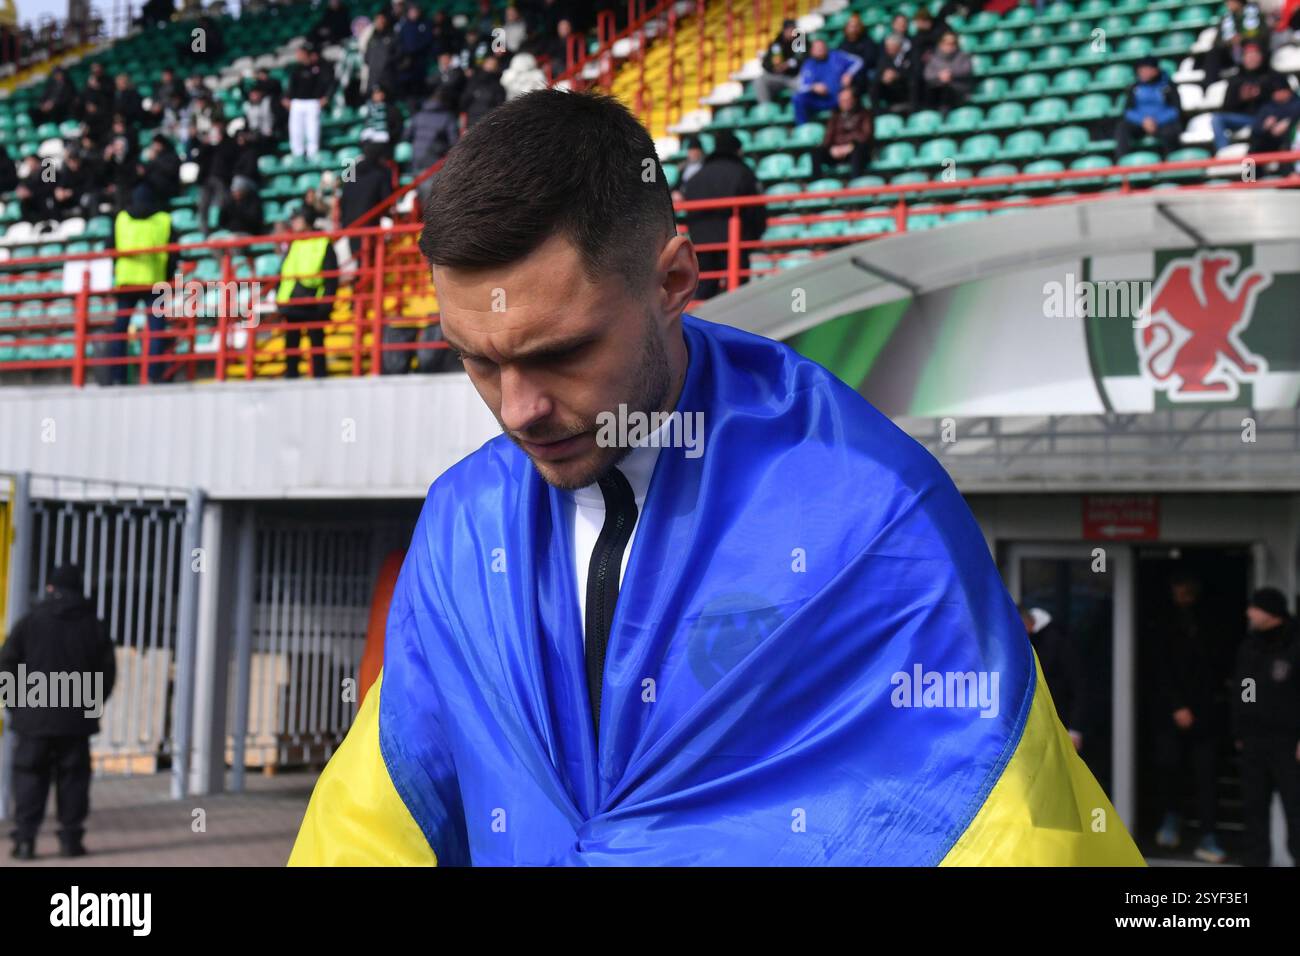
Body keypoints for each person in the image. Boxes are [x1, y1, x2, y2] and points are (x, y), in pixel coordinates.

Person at [289, 91, 1144, 866]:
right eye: (476, 361)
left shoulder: (873, 511)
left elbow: (1004, 830)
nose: (518, 411)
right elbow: (382, 807)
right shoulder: (462, 520)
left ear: (674, 281)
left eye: (560, 354)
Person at [1, 565, 116, 860]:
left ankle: (25, 842)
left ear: (50, 588)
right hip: (75, 720)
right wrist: (90, 705)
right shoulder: (94, 625)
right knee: (73, 778)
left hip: (33, 718)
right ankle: (70, 841)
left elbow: (7, 665)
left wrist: (16, 705)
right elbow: (106, 673)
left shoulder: (30, 622)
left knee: (29, 776)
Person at [1150, 574, 1227, 863]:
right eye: (1180, 586)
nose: (1185, 592)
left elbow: (1216, 667)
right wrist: (1176, 705)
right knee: (1169, 767)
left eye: (1190, 587)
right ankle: (1171, 817)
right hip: (1170, 714)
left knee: (1206, 775)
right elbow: (1159, 669)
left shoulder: (1211, 622)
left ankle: (1208, 835)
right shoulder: (1162, 623)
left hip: (1206, 713)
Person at [1231, 587, 1300, 866]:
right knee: (1253, 808)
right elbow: (1242, 690)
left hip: (1289, 743)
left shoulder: (1295, 644)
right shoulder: (1250, 644)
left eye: (1254, 608)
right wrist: (1240, 730)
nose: (1249, 613)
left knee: (1295, 809)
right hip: (1254, 741)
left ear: (1271, 612)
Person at [682, 130, 766, 299]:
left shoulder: (696, 178)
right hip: (735, 242)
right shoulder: (743, 172)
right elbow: (756, 210)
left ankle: (701, 322)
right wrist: (754, 237)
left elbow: (688, 210)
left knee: (705, 291)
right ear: (737, 150)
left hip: (703, 243)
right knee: (737, 293)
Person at [108, 185, 176, 385]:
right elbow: (173, 253)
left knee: (120, 330)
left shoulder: (121, 218)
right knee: (155, 329)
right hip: (154, 280)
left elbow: (109, 247)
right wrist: (169, 277)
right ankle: (154, 375)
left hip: (126, 281)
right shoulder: (164, 220)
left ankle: (117, 377)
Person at [276, 208, 338, 379]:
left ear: (308, 220)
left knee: (316, 343)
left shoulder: (323, 242)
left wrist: (326, 304)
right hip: (291, 303)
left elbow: (331, 277)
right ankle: (291, 376)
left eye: (298, 218)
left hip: (313, 303)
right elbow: (284, 273)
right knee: (291, 344)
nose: (294, 222)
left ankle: (320, 378)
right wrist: (280, 300)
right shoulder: (294, 243)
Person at [1020, 606, 1086, 752]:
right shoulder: (1029, 642)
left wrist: (1074, 728)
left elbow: (1077, 686)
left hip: (1061, 722)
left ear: (1027, 623)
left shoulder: (1058, 641)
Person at [1209, 42, 1279, 150]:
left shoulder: (1272, 76)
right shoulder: (1236, 79)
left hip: (1265, 117)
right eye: (1248, 55)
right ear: (1243, 58)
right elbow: (1227, 107)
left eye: (1255, 55)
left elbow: (1282, 100)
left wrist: (1260, 95)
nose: (1252, 58)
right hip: (1245, 118)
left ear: (1261, 57)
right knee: (1217, 118)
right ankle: (1224, 153)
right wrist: (1241, 98)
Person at [1115, 56, 1183, 158]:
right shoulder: (1134, 87)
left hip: (1163, 122)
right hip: (1141, 123)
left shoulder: (1168, 86)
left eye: (1146, 69)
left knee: (1170, 132)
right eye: (1141, 70)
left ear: (1155, 70)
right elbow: (1128, 111)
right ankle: (1123, 163)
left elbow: (1175, 110)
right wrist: (1143, 121)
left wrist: (1156, 121)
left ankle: (1172, 162)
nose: (1143, 73)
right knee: (1122, 127)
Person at [405, 84, 460, 201]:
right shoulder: (448, 117)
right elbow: (454, 142)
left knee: (419, 187)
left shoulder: (418, 115)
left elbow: (406, 136)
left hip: (416, 159)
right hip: (434, 161)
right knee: (430, 195)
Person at [792, 37, 864, 126]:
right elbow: (801, 87)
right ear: (811, 51)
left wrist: (849, 73)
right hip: (820, 100)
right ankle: (802, 128)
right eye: (817, 48)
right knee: (798, 98)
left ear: (826, 48)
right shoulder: (808, 65)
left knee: (848, 95)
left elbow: (859, 61)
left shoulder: (837, 56)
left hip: (838, 97)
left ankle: (851, 125)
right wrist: (813, 87)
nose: (820, 50)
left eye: (822, 47)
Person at [811, 87, 874, 179]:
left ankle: (855, 181)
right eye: (842, 100)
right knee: (816, 151)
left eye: (847, 99)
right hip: (837, 151)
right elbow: (828, 137)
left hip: (855, 151)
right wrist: (832, 148)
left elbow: (866, 136)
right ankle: (817, 183)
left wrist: (850, 146)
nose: (845, 102)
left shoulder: (865, 114)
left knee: (859, 149)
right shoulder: (835, 116)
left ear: (854, 100)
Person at [286, 43, 334, 159]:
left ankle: (313, 154)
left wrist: (326, 98)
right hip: (297, 103)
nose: (298, 56)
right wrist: (286, 98)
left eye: (300, 53)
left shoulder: (319, 68)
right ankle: (297, 155)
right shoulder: (296, 69)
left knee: (312, 130)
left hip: (313, 102)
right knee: (296, 131)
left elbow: (329, 84)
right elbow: (291, 87)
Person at [1204, 0, 1266, 87]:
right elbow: (1217, 42)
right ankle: (1210, 86)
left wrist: (1243, 38)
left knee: (1252, 50)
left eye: (1231, 1)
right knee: (1213, 53)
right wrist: (1229, 42)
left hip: (1249, 48)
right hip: (1230, 52)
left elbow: (1263, 35)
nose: (1228, 4)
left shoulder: (1255, 14)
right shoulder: (1226, 19)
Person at [754, 19, 803, 104]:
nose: (792, 32)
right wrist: (774, 67)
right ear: (784, 30)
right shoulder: (777, 42)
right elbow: (765, 63)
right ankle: (766, 109)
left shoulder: (800, 39)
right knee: (760, 80)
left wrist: (789, 64)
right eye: (789, 29)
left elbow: (803, 57)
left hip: (795, 76)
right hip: (779, 77)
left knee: (802, 84)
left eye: (794, 29)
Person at [921, 31, 972, 111]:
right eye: (947, 43)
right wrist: (939, 76)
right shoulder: (933, 58)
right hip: (938, 92)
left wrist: (950, 73)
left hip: (958, 91)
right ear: (941, 44)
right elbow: (927, 75)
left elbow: (967, 70)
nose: (950, 46)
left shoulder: (963, 56)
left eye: (953, 43)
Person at [1248, 81, 1300, 154]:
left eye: (1279, 91)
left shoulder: (1297, 103)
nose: (1276, 94)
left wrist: (1288, 122)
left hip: (1289, 139)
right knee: (1255, 147)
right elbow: (1255, 129)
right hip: (1269, 140)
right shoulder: (1267, 107)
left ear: (1287, 91)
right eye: (1274, 92)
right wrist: (1265, 126)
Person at [871, 33, 917, 113]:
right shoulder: (883, 59)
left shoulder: (909, 56)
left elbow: (914, 73)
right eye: (887, 46)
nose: (889, 48)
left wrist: (897, 75)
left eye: (891, 46)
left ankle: (913, 108)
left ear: (899, 46)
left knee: (913, 82)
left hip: (904, 88)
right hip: (890, 91)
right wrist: (883, 77)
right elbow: (878, 73)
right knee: (874, 84)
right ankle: (877, 111)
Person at [838, 13, 878, 97]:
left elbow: (869, 60)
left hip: (863, 74)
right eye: (851, 26)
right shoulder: (842, 45)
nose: (853, 29)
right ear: (846, 28)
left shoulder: (867, 41)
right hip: (848, 76)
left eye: (856, 26)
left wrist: (852, 73)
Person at [460, 54, 506, 127]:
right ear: (484, 65)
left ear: (497, 67)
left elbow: (500, 106)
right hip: (472, 121)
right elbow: (465, 101)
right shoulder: (474, 81)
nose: (490, 66)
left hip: (488, 123)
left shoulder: (498, 87)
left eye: (493, 64)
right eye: (489, 63)